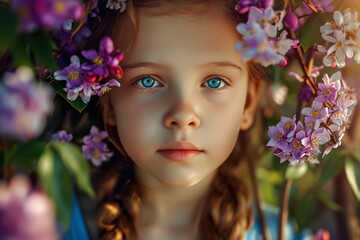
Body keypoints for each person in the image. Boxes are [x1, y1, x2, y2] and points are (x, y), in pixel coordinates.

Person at [64, 0, 307, 239]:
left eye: (215, 82)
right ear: (108, 101)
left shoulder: (280, 234)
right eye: (147, 80)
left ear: (248, 103)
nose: (182, 116)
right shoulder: (51, 224)